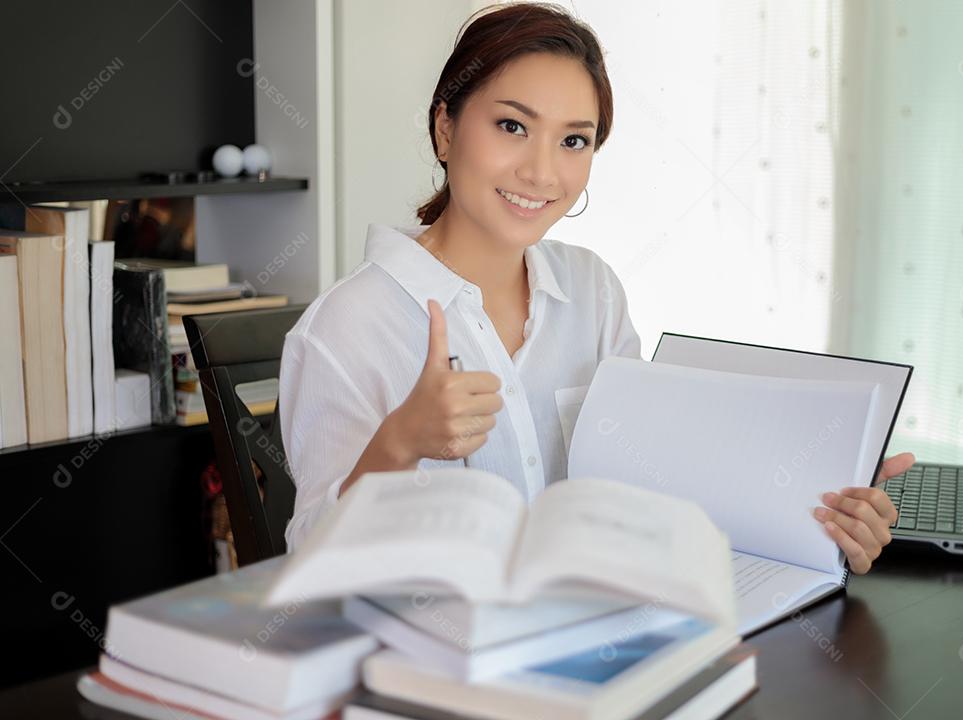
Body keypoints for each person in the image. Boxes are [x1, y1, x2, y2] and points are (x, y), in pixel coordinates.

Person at [278, 2, 914, 574]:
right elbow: (308, 567)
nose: (541, 171)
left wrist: (819, 501)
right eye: (511, 126)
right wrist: (401, 442)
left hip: (592, 636)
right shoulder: (347, 326)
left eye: (573, 140)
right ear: (446, 129)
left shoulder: (592, 291)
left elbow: (651, 484)